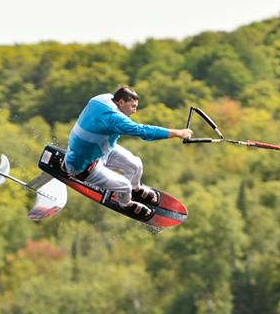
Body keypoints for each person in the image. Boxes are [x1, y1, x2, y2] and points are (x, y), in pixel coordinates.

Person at [64, 85, 192, 219]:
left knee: (136, 165)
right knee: (124, 186)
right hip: (82, 166)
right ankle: (125, 203)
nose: (135, 111)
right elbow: (144, 132)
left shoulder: (103, 98)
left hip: (101, 149)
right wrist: (178, 133)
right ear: (120, 102)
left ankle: (135, 188)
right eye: (133, 106)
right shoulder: (114, 118)